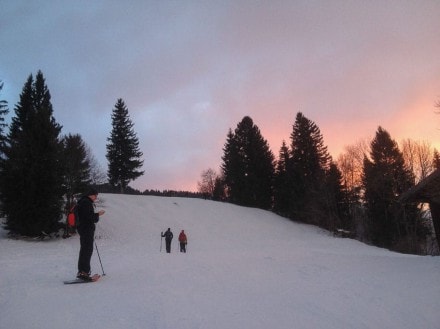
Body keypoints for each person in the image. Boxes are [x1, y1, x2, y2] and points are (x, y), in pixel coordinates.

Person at [76, 188, 105, 280]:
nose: (96, 197)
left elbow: (86, 216)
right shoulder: (86, 203)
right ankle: (83, 272)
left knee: (85, 249)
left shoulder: (82, 201)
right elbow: (89, 217)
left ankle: (83, 271)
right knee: (86, 250)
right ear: (91, 195)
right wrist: (98, 215)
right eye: (95, 195)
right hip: (86, 229)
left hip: (84, 229)